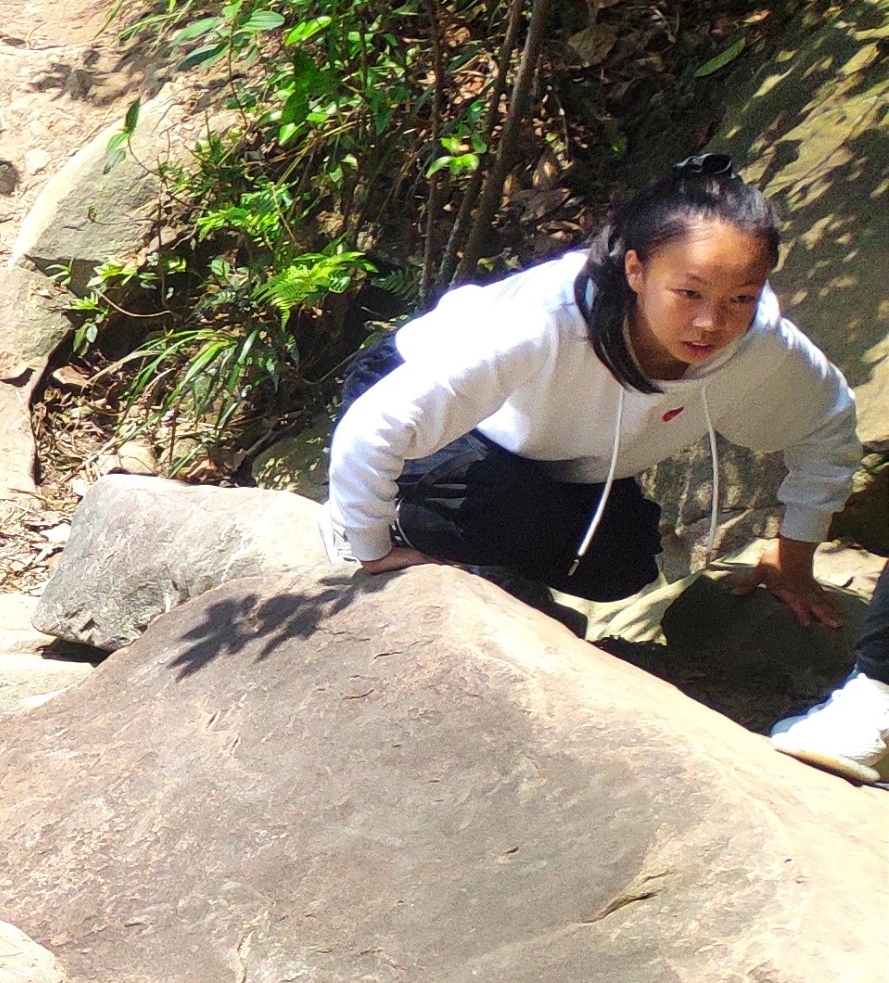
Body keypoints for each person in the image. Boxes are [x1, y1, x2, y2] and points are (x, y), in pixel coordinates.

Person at [328, 155, 871, 763]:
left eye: (740, 298)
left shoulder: (763, 350)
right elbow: (377, 425)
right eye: (688, 292)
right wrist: (369, 546)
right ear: (636, 269)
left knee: (621, 566)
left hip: (551, 457)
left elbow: (829, 432)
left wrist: (793, 557)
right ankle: (413, 521)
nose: (710, 322)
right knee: (507, 514)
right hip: (438, 411)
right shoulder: (546, 322)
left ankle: (496, 540)